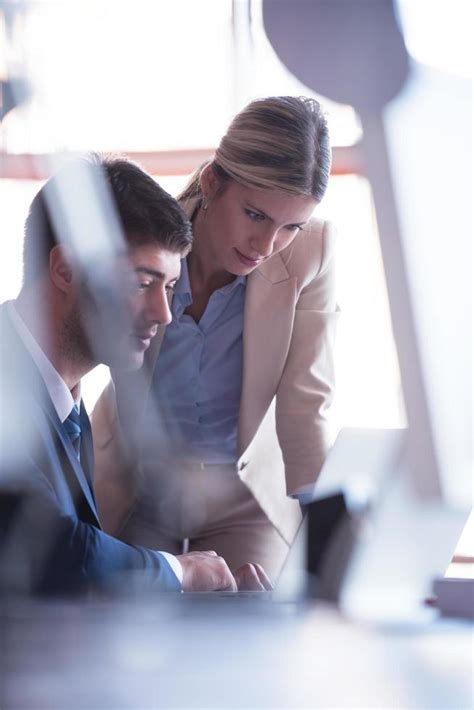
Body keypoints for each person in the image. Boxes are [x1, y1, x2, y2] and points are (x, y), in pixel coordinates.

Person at [0, 154, 271, 595]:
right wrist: (180, 572)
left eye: (168, 288)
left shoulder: (66, 404)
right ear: (65, 269)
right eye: (142, 283)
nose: (165, 315)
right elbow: (54, 550)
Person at [92, 96, 339, 580]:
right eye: (255, 215)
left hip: (244, 498)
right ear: (211, 182)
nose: (266, 247)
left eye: (292, 226)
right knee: (128, 626)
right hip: (140, 482)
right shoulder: (145, 237)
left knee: (244, 628)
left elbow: (307, 403)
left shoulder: (313, 252)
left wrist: (328, 535)